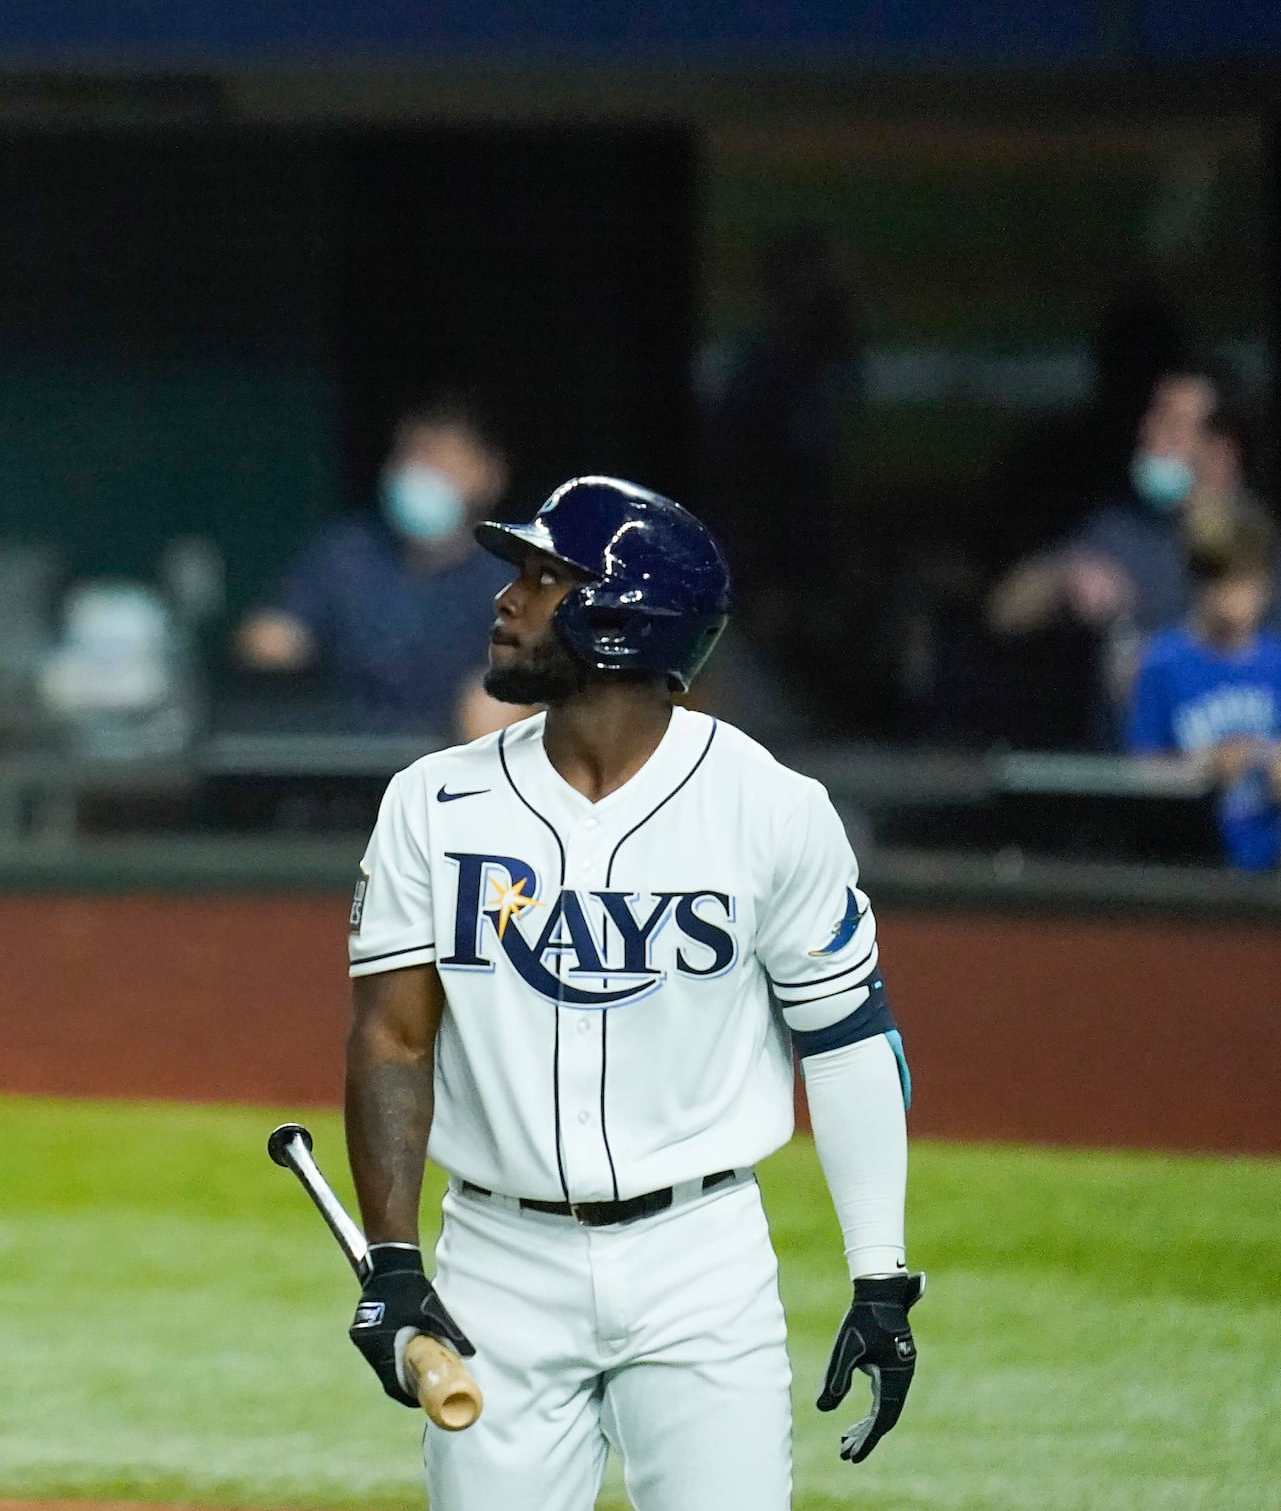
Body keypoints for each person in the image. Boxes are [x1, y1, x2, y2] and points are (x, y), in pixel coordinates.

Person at [342, 476, 920, 1510]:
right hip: (497, 1266)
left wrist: (880, 1276)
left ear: (621, 617)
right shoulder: (433, 804)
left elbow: (847, 1037)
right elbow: (393, 1041)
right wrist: (393, 1260)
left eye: (542, 577)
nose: (505, 600)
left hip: (701, 1265)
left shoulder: (771, 810)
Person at [238, 397, 521, 739]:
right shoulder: (345, 552)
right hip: (349, 757)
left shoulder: (515, 571)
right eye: (411, 457)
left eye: (441, 461)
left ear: (489, 476)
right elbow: (272, 635)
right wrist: (270, 646)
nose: (422, 475)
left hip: (458, 766)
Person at [987, 366, 1250, 654]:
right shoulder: (1123, 524)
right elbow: (1003, 613)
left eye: (1171, 424)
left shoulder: (1260, 544)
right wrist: (1062, 576)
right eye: (1152, 416)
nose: (1148, 432)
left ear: (1222, 453)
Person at [1126, 503, 1281, 868]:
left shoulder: (1277, 662)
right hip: (1191, 863)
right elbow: (1139, 772)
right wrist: (1207, 767)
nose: (1233, 595)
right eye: (1221, 579)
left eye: (1244, 579)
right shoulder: (1162, 663)